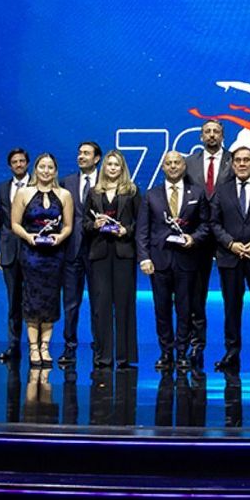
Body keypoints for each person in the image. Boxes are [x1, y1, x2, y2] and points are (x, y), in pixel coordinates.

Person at [138, 151, 211, 371]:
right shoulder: (151, 195)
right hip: (159, 261)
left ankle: (182, 352)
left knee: (185, 309)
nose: (172, 166)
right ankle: (166, 352)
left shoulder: (197, 193)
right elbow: (143, 230)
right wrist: (144, 258)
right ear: (163, 167)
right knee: (161, 309)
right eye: (168, 163)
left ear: (184, 166)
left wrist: (194, 238)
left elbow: (206, 225)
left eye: (176, 162)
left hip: (187, 260)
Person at [209, 146, 250, 372]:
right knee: (231, 307)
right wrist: (231, 244)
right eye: (237, 160)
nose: (242, 164)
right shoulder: (221, 190)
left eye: (247, 160)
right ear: (232, 164)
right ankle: (231, 353)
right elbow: (214, 223)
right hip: (230, 257)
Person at [11, 153, 74, 368]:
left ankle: (45, 346)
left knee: (50, 299)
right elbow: (15, 224)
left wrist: (60, 237)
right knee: (32, 299)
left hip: (54, 256)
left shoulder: (64, 194)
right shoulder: (24, 193)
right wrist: (28, 237)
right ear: (35, 169)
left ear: (55, 171)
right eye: (42, 167)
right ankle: (33, 347)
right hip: (31, 255)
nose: (46, 171)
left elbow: (68, 226)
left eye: (50, 167)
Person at [84, 150, 140, 369]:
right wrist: (95, 225)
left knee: (124, 305)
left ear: (122, 168)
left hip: (123, 253)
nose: (113, 168)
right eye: (110, 164)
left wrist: (126, 230)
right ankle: (103, 356)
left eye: (117, 165)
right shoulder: (93, 192)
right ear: (104, 167)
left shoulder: (132, 191)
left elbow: (140, 222)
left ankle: (124, 357)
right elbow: (84, 224)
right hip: (100, 254)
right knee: (101, 306)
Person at [184, 120, 230, 369]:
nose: (212, 135)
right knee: (196, 295)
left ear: (223, 135)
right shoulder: (189, 162)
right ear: (201, 136)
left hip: (227, 236)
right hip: (198, 236)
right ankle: (196, 345)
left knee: (232, 296)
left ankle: (231, 350)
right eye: (207, 132)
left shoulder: (235, 160)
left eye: (216, 132)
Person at [59, 140, 101, 366]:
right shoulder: (66, 182)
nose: (81, 156)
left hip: (98, 249)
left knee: (98, 303)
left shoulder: (106, 181)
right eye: (79, 153)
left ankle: (100, 347)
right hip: (71, 249)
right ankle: (69, 347)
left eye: (86, 153)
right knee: (71, 303)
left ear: (97, 158)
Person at [0, 147, 31, 363]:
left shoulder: (38, 185)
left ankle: (36, 347)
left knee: (34, 300)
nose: (18, 164)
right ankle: (13, 345)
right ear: (10, 166)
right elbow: (2, 222)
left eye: (22, 161)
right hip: (9, 251)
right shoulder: (2, 188)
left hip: (34, 250)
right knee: (13, 301)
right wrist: (1, 250)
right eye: (15, 162)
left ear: (27, 163)